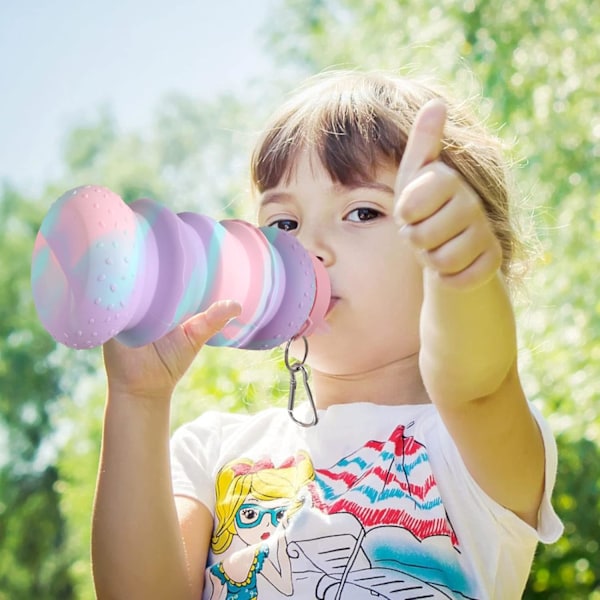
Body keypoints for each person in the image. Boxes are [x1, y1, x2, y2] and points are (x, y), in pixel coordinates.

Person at [91, 70, 563, 600]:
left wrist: (465, 276)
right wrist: (138, 399)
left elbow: (476, 380)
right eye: (285, 224)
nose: (308, 248)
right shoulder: (212, 450)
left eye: (363, 211)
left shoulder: (466, 448)